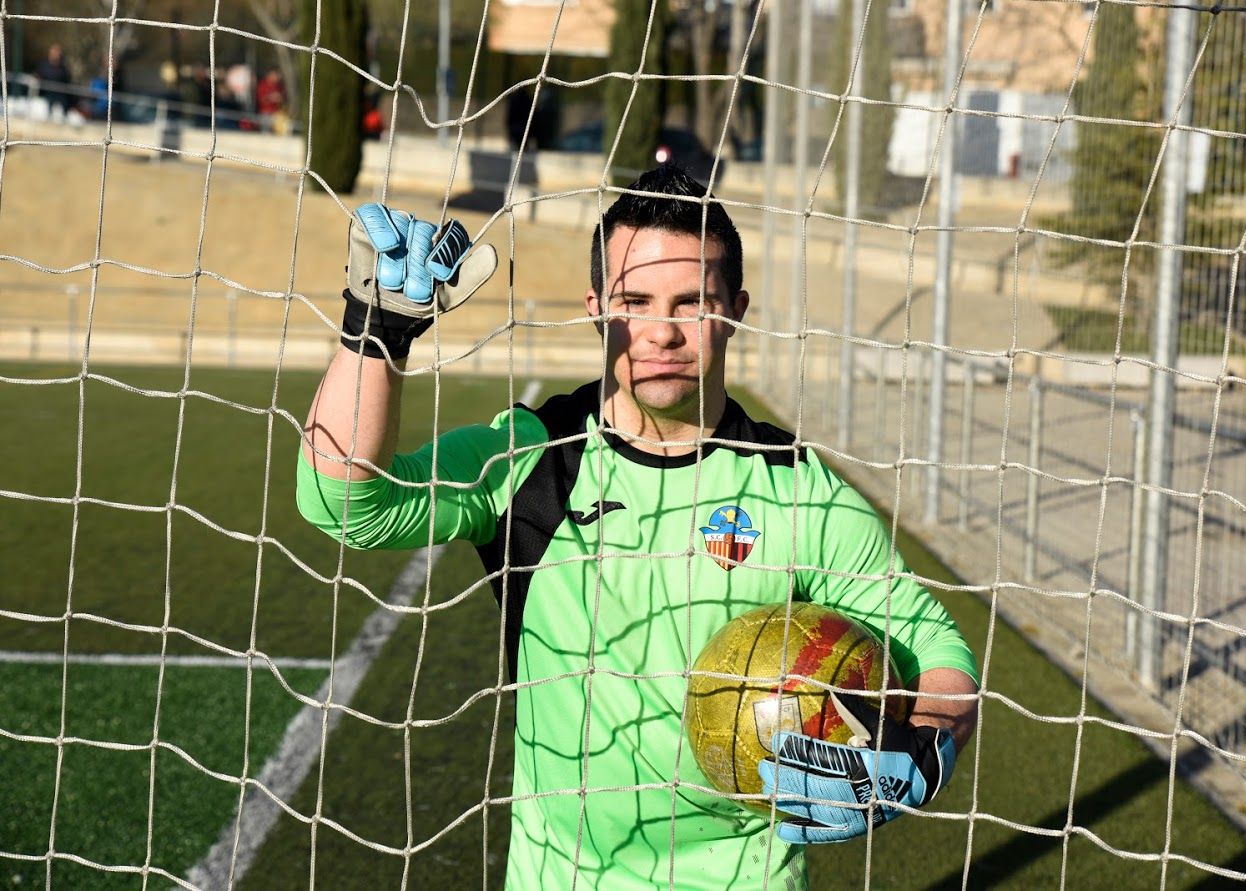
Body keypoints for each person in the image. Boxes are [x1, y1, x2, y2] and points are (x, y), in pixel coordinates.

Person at [296, 164, 980, 888]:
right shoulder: (530, 457)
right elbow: (346, 506)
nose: (662, 331)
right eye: (634, 301)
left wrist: (927, 748)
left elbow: (934, 645)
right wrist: (376, 331)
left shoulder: (796, 486)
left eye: (692, 302)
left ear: (735, 309)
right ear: (597, 309)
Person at [35, 43, 73, 117]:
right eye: (54, 52)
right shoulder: (44, 65)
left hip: (60, 94)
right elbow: (38, 76)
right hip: (47, 94)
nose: (56, 55)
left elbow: (67, 80)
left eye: (58, 53)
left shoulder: (63, 68)